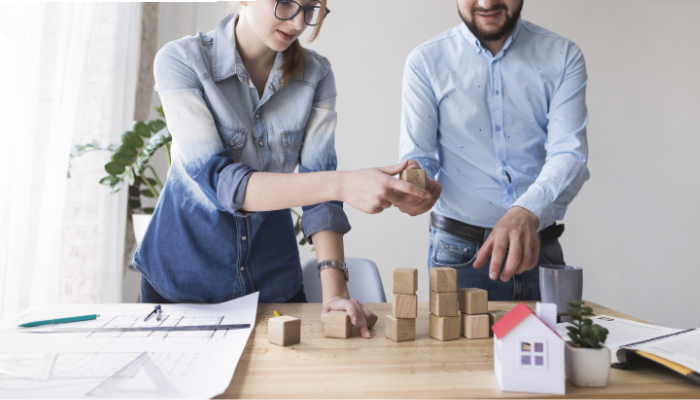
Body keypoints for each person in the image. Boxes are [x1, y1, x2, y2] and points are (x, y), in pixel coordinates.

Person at [134, 0, 431, 338]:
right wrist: (342, 183)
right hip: (182, 281)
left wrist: (335, 294)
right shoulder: (181, 61)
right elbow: (221, 182)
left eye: (310, 8)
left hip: (272, 279)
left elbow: (320, 192)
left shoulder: (316, 75)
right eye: (287, 2)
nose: (300, 22)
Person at [396, 0, 589, 300]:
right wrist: (411, 187)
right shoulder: (425, 61)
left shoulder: (563, 56)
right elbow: (418, 158)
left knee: (550, 348)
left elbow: (570, 154)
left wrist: (526, 212)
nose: (486, 3)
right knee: (456, 348)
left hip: (541, 252)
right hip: (459, 255)